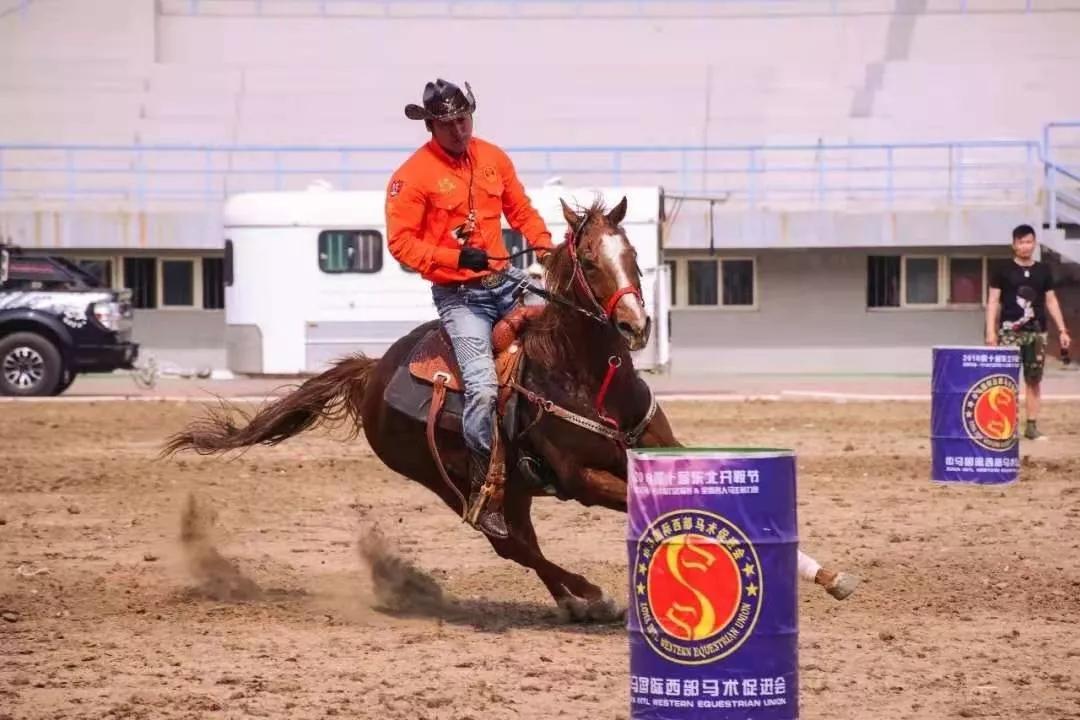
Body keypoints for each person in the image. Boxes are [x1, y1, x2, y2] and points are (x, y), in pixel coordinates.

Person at [385, 78, 553, 539]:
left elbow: (521, 210)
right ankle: (487, 485)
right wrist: (455, 258)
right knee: (480, 388)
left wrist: (543, 245)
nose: (460, 129)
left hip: (504, 279)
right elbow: (400, 244)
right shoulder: (412, 176)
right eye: (449, 123)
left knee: (564, 324)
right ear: (431, 125)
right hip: (460, 297)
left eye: (465, 119)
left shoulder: (494, 157)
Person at [985, 224, 1072, 440]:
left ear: (1035, 243)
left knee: (1034, 380)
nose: (1026, 246)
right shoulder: (1002, 269)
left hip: (1036, 333)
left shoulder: (1043, 270)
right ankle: (1003, 426)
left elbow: (1051, 301)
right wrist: (991, 332)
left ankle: (1031, 426)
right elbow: (993, 301)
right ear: (1014, 245)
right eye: (1021, 242)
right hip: (1008, 334)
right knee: (1005, 381)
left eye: (1029, 241)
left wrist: (1062, 330)